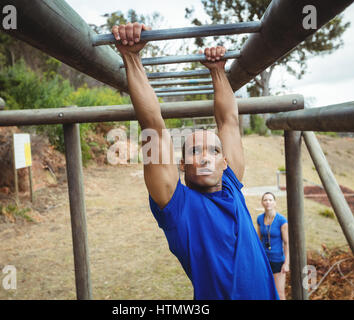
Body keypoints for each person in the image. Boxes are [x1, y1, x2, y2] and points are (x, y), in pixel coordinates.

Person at [111, 22, 278, 300]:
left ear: (224, 161)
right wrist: (131, 56)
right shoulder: (178, 208)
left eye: (213, 151)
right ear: (182, 166)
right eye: (194, 152)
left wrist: (218, 70)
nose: (204, 157)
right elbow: (152, 125)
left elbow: (229, 121)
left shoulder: (231, 187)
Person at [256, 192, 289, 300]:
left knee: (279, 292)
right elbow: (258, 240)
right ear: (262, 203)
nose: (268, 202)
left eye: (270, 200)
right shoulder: (260, 219)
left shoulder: (282, 220)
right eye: (265, 200)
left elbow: (287, 243)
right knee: (265, 291)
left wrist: (286, 263)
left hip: (277, 260)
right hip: (264, 260)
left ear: (274, 203)